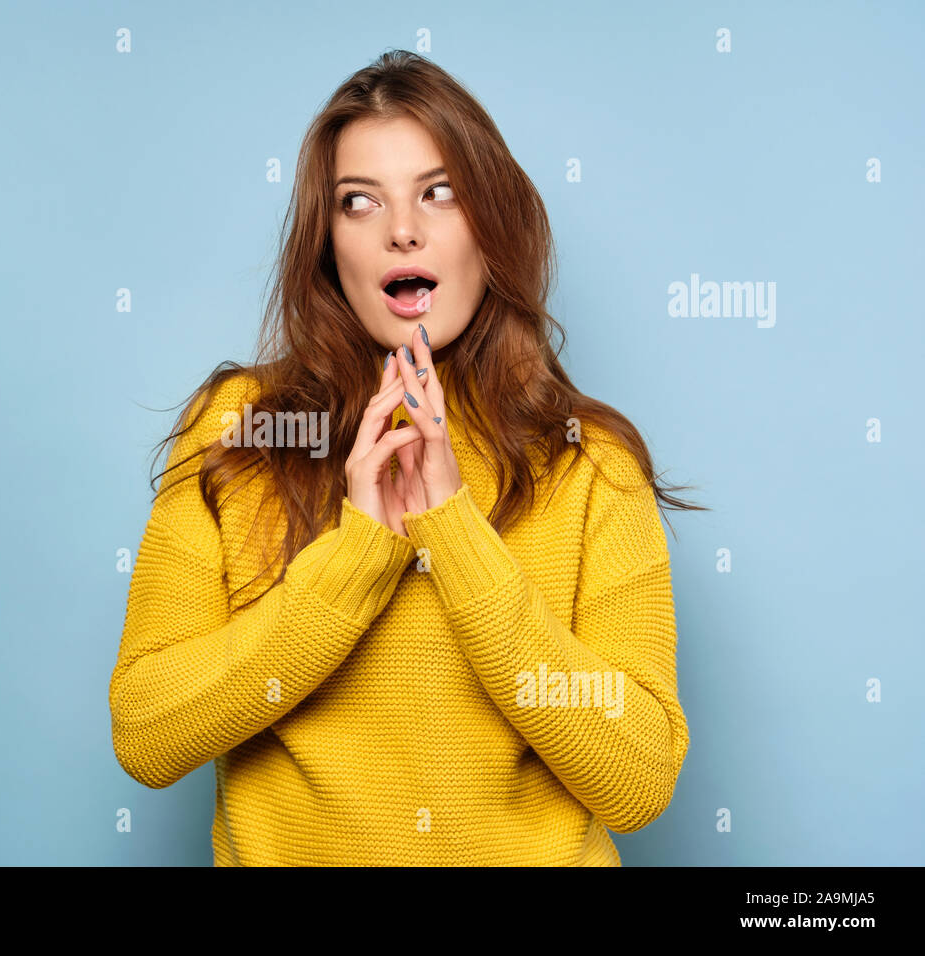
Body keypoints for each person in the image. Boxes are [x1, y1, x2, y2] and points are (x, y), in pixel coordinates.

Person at [108, 49, 705, 866]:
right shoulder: (243, 430)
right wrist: (357, 555)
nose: (402, 229)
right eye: (360, 202)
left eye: (440, 192)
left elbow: (637, 782)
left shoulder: (590, 461)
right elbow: (146, 733)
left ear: (492, 224)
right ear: (328, 246)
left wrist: (453, 532)